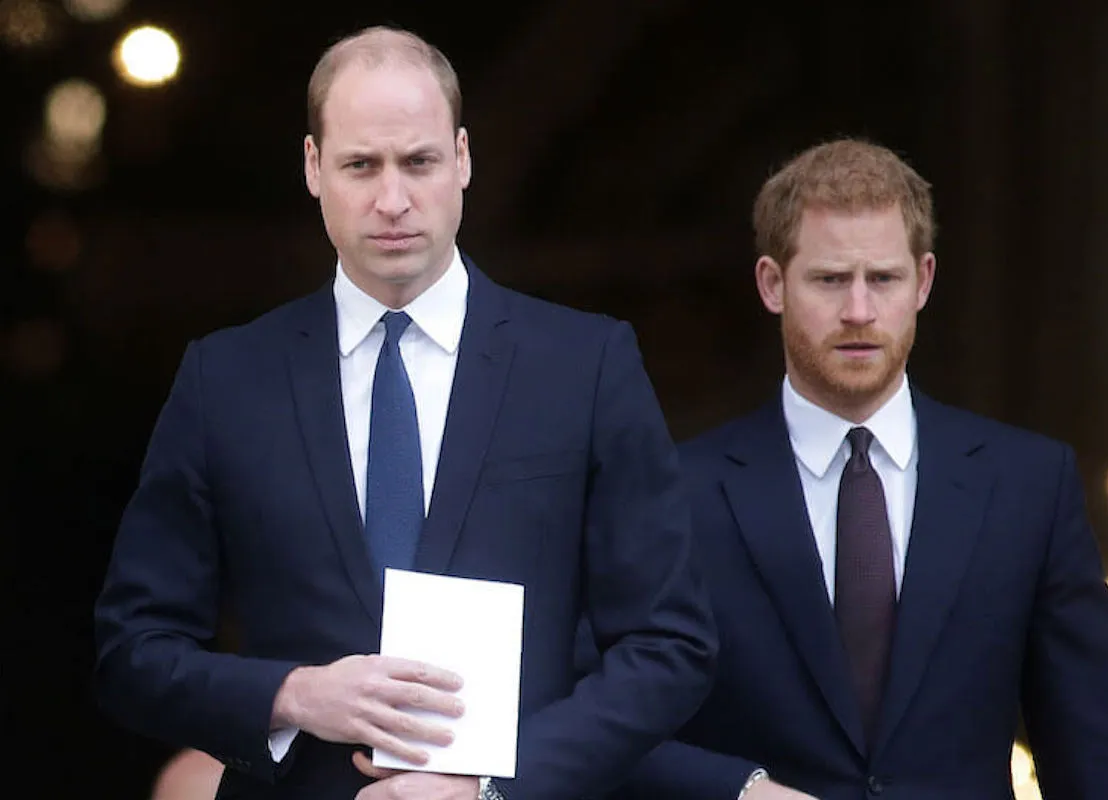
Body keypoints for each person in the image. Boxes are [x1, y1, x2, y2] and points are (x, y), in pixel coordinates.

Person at [94, 26, 716, 800]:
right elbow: (131, 650)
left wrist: (492, 789)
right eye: (361, 164)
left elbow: (669, 644)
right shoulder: (224, 379)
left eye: (418, 162)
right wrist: (293, 696)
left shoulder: (585, 365)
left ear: (461, 159)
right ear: (315, 168)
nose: (393, 200)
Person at [600, 139, 1108, 799]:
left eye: (882, 279)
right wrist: (737, 790)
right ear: (772, 284)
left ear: (924, 281)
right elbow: (603, 726)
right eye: (830, 280)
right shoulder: (679, 493)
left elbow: (1094, 752)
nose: (859, 311)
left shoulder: (1028, 485)